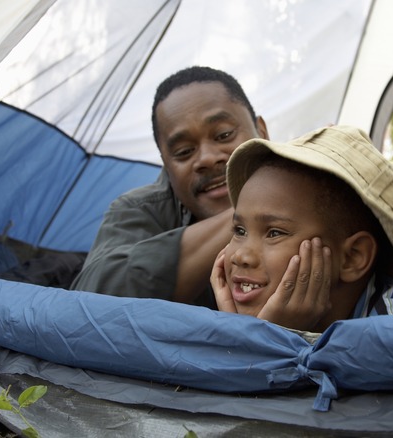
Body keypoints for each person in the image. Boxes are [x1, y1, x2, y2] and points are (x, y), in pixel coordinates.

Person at [210, 125, 393, 332]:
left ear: (352, 257)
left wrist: (267, 340)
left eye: (274, 233)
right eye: (239, 231)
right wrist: (239, 333)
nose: (240, 256)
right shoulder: (227, 316)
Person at [71, 66, 269, 306]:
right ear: (166, 164)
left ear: (262, 131)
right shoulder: (139, 210)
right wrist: (259, 209)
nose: (206, 158)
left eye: (224, 135)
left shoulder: (314, 190)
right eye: (184, 152)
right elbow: (90, 302)